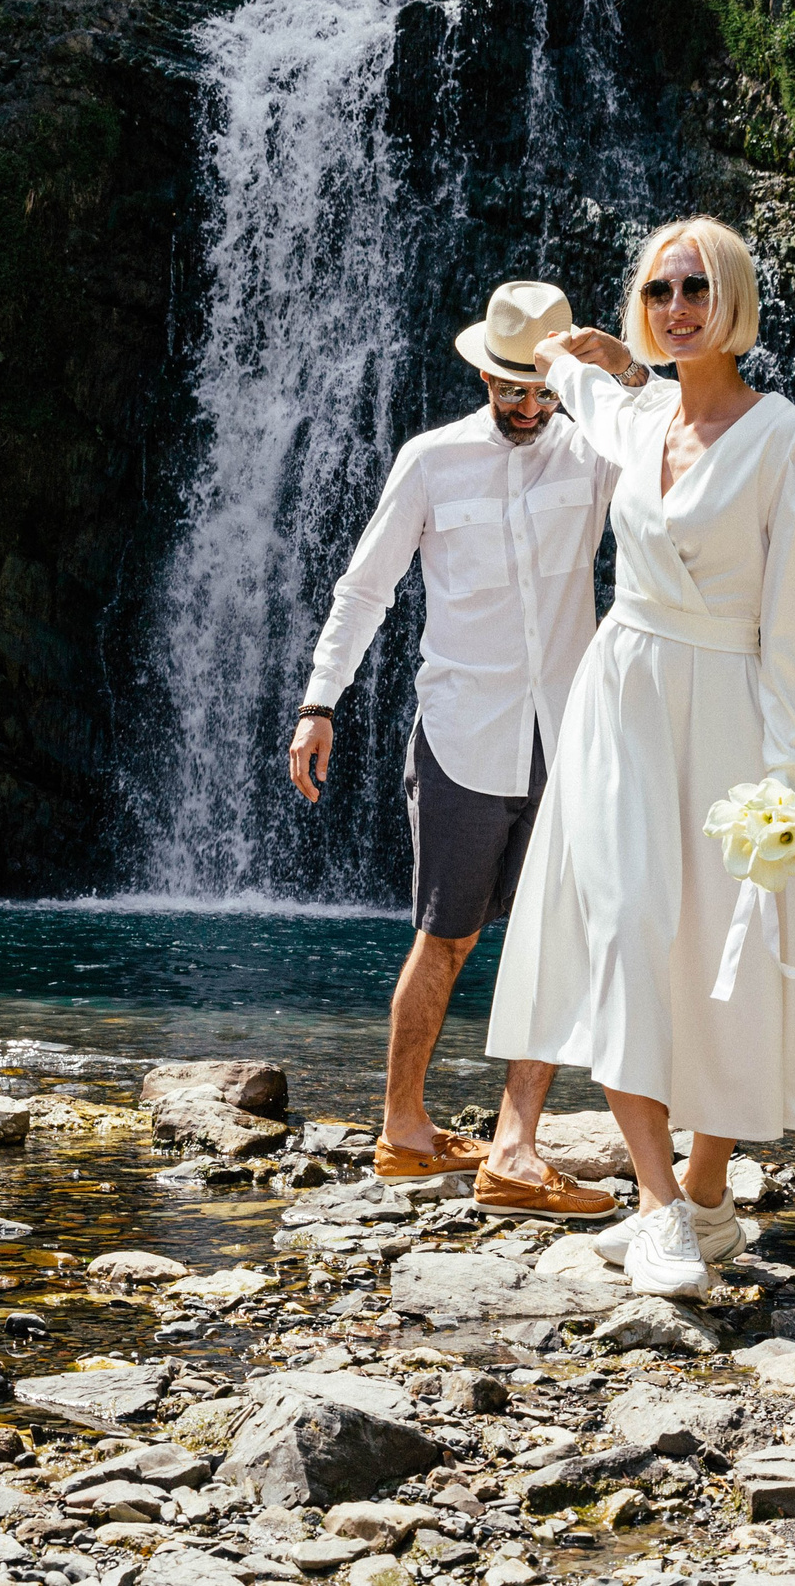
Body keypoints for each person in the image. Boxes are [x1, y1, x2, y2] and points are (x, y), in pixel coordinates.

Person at [484, 217, 795, 1297]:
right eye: (657, 291)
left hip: (729, 704)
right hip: (622, 699)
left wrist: (786, 768)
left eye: (693, 288)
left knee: (717, 948)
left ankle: (705, 1198)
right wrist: (563, 347)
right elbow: (577, 375)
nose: (675, 308)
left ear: (730, 300)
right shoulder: (633, 410)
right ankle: (655, 1208)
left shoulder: (785, 440)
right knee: (631, 931)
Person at [287, 279, 650, 1221]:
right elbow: (365, 588)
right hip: (460, 731)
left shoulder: (595, 448)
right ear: (483, 374)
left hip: (571, 732)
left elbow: (672, 452)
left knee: (557, 939)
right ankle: (403, 1129)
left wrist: (627, 367)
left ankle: (516, 1148)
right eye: (510, 388)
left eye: (543, 389)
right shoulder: (431, 460)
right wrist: (320, 701)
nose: (528, 406)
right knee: (446, 935)